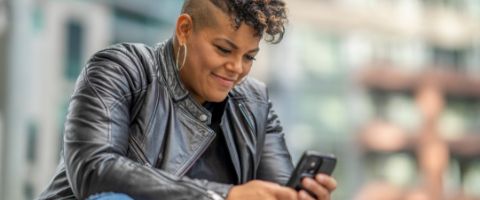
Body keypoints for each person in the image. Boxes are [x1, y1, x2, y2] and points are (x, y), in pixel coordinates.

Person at [37, 0, 337, 199]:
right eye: (223, 49)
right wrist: (222, 195)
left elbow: (271, 192)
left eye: (249, 57)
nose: (236, 69)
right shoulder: (122, 69)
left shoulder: (255, 103)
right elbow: (95, 170)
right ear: (184, 29)